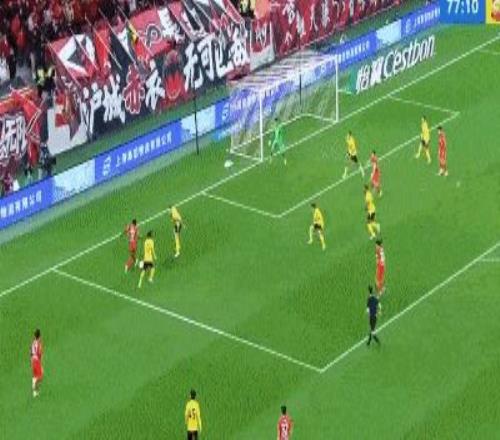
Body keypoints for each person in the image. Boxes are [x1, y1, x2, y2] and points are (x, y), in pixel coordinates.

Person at [31, 329, 43, 397]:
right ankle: (34, 386)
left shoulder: (33, 343)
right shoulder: (39, 343)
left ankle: (35, 392)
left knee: (35, 375)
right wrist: (40, 363)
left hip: (33, 360)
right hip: (37, 361)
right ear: (40, 336)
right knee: (40, 377)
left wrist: (31, 360)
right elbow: (39, 353)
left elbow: (31, 352)